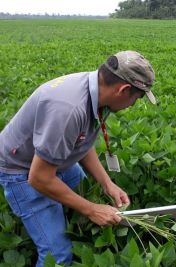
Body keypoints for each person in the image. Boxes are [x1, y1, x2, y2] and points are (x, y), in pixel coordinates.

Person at [0, 51, 157, 266]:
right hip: (22, 170)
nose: (133, 104)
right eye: (137, 99)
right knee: (58, 256)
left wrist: (107, 183)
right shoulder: (68, 109)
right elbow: (39, 178)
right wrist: (91, 209)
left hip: (55, 158)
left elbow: (81, 142)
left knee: (88, 198)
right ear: (124, 90)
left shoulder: (98, 91)